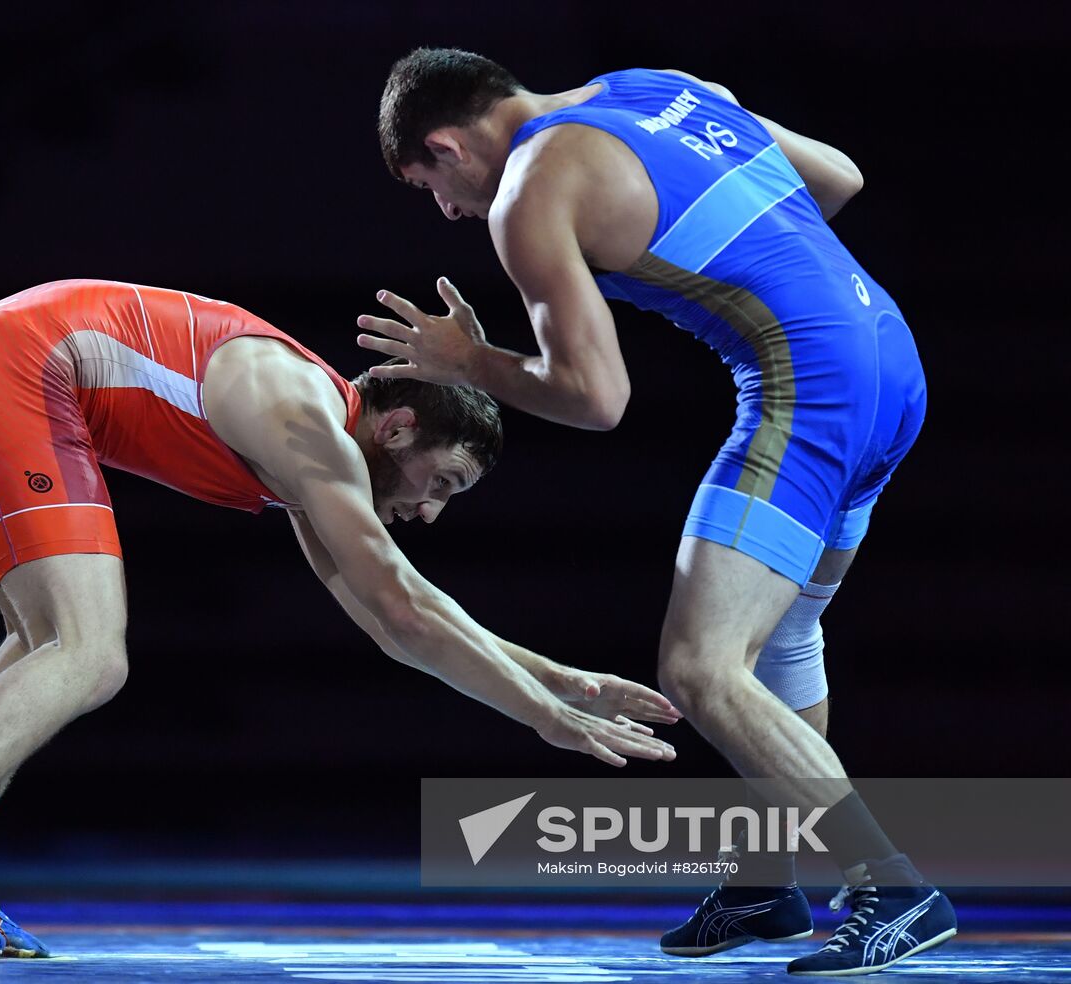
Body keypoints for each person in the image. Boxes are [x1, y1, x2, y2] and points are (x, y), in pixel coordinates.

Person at [0, 278, 680, 958]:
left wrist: (559, 680)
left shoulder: (310, 459)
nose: (429, 512)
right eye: (442, 482)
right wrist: (547, 719)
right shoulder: (306, 423)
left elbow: (393, 626)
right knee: (92, 655)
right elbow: (403, 600)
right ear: (398, 426)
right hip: (15, 368)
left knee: (42, 642)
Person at [359, 49, 956, 976]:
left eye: (428, 184)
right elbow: (839, 178)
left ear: (442, 143)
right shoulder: (661, 88)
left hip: (812, 389)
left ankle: (891, 884)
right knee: (783, 643)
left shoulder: (529, 193)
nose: (446, 210)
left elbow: (597, 399)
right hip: (890, 355)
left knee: (699, 665)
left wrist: (469, 363)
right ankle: (767, 879)